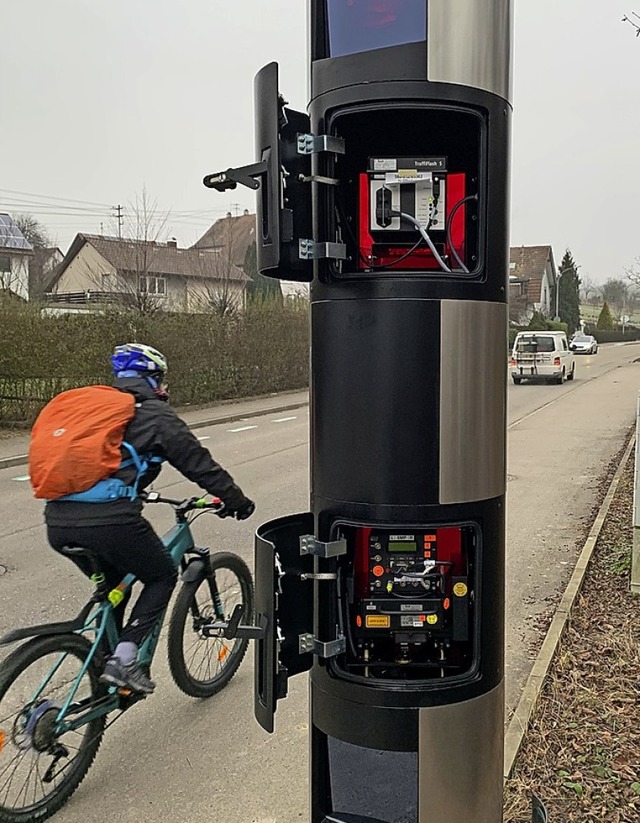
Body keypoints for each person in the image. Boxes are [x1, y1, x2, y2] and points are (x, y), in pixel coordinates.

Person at [45, 343, 255, 694]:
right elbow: (197, 462)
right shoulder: (154, 414)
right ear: (153, 378)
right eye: (162, 378)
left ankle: (105, 667)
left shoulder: (97, 415)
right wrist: (236, 501)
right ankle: (124, 660)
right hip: (111, 522)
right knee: (160, 575)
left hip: (58, 522)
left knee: (115, 586)